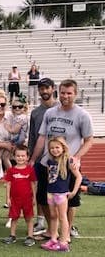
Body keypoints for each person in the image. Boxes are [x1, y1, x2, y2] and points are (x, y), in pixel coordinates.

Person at [30, 79, 93, 240]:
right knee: (44, 198)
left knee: (70, 200)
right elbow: (42, 138)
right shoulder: (50, 113)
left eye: (69, 93)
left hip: (67, 167)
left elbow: (89, 141)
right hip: (47, 164)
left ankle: (67, 232)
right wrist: (33, 160)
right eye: (63, 92)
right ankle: (52, 231)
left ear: (75, 94)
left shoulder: (82, 115)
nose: (65, 96)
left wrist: (76, 157)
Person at [40, 137, 81, 252]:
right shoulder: (50, 161)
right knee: (53, 216)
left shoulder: (68, 160)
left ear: (63, 148)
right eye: (52, 148)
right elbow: (50, 178)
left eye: (57, 147)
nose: (54, 150)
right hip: (50, 193)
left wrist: (73, 191)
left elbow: (78, 177)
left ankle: (63, 242)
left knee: (63, 217)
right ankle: (53, 239)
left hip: (61, 194)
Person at [27, 78, 57, 237]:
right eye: (41, 89)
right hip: (40, 159)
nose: (44, 91)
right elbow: (33, 136)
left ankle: (66, 225)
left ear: (53, 89)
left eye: (47, 88)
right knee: (41, 193)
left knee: (60, 193)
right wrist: (31, 157)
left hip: (59, 160)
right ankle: (42, 221)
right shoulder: (35, 112)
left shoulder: (61, 108)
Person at [2, 146, 37, 247]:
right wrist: (8, 198)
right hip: (15, 199)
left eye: (23, 156)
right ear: (14, 157)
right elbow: (8, 184)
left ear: (27, 157)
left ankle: (30, 236)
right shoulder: (11, 170)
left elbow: (33, 184)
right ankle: (12, 235)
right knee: (14, 217)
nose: (20, 158)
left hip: (27, 199)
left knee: (29, 217)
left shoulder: (30, 170)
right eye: (18, 156)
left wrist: (34, 197)